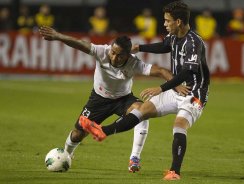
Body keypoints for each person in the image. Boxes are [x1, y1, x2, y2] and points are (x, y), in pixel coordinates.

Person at [79, 1, 210, 181]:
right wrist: (140, 47)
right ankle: (103, 131)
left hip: (194, 92)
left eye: (167, 21)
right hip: (176, 90)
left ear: (178, 22)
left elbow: (188, 71)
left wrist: (161, 88)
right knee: (143, 110)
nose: (164, 24)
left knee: (179, 125)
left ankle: (174, 172)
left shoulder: (194, 43)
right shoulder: (174, 37)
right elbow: (164, 46)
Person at [38, 26, 188, 173]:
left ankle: (134, 158)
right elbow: (79, 43)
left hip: (123, 99)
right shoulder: (101, 52)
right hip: (98, 99)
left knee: (142, 113)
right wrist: (58, 36)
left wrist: (177, 86)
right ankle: (66, 154)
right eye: (113, 52)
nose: (114, 57)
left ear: (128, 55)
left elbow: (162, 71)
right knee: (78, 134)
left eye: (119, 55)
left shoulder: (134, 63)